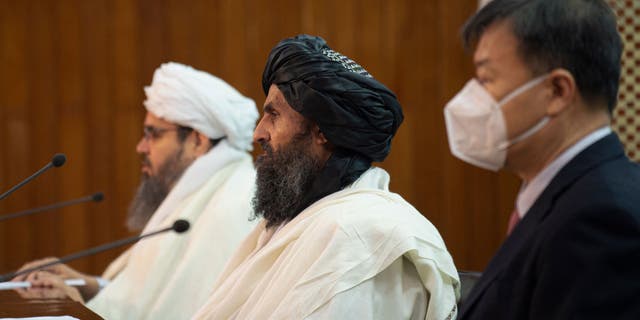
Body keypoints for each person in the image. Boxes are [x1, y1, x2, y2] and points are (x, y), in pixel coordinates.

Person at [192, 35, 460, 320]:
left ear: (322, 131)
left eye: (274, 114)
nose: (258, 133)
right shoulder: (297, 222)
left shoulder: (359, 236)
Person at [14, 62, 259, 320]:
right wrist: (85, 286)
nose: (141, 147)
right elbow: (152, 296)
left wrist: (79, 310)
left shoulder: (233, 204)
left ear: (197, 140)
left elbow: (188, 313)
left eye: (153, 134)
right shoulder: (203, 190)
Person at [443, 1, 640, 319]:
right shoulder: (564, 198)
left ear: (558, 91)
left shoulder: (600, 218)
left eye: (486, 79)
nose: (469, 100)